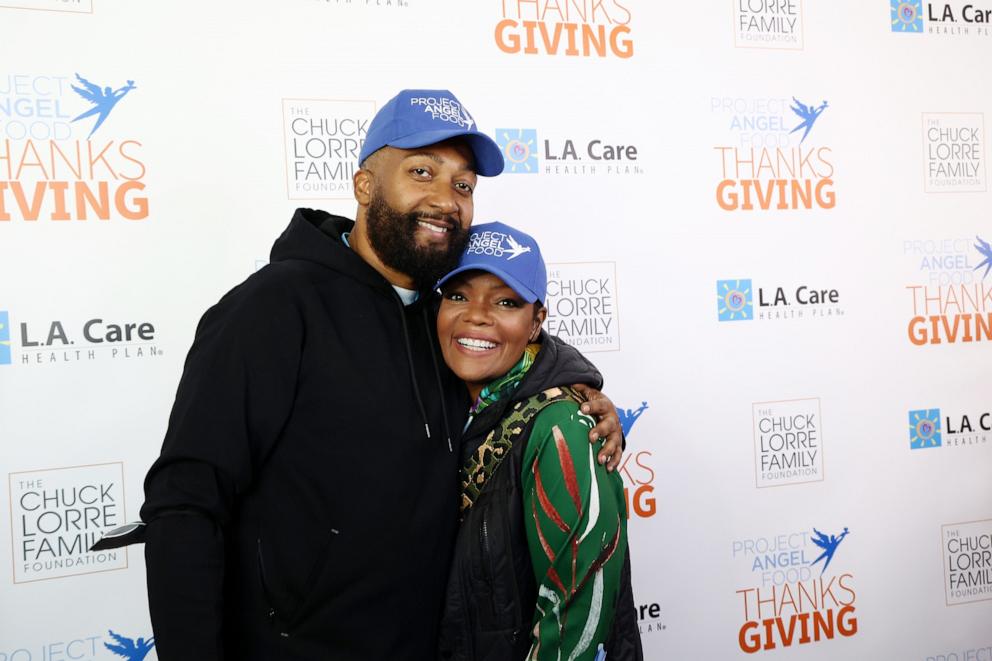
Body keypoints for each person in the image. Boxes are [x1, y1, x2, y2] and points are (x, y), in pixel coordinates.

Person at [134, 89, 624, 661]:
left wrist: (580, 388)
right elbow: (185, 504)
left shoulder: (443, 321)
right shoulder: (272, 308)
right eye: (422, 171)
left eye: (463, 185)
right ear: (365, 185)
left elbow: (515, 355)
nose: (447, 200)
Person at [434, 222, 643, 661]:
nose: (476, 314)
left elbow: (578, 623)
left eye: (506, 302)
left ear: (536, 323)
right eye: (458, 295)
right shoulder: (444, 400)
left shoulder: (565, 426)